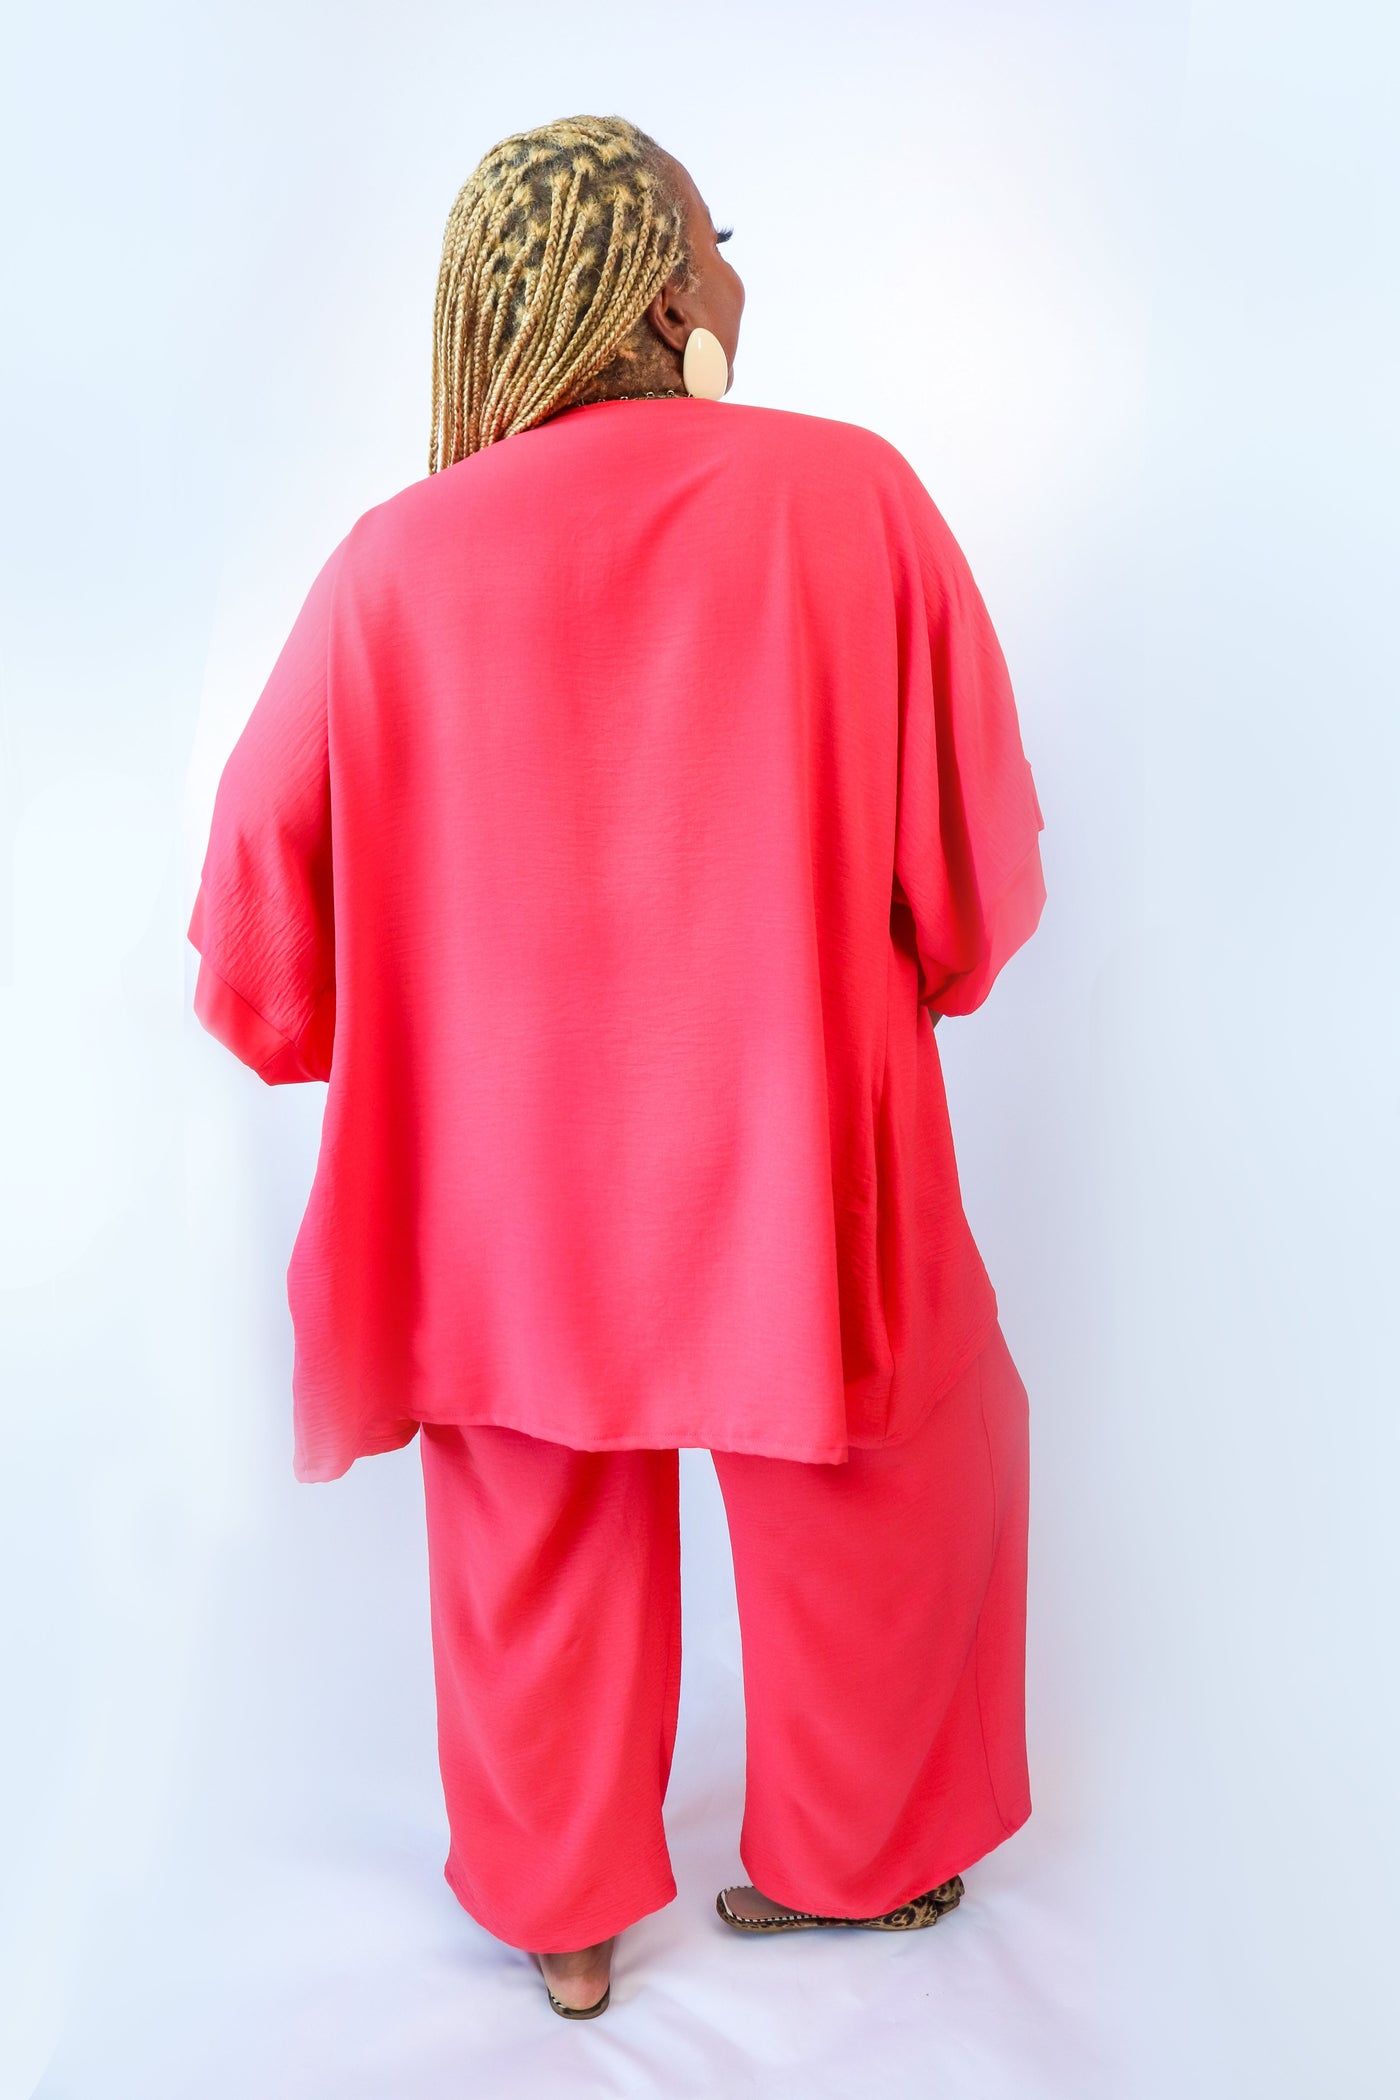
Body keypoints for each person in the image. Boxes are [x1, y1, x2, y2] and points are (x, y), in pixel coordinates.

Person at [187, 114, 1048, 2020]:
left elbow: (255, 892)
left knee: (530, 1509)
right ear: (667, 295)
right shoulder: (851, 497)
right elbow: (968, 865)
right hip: (810, 1131)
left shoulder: (394, 563)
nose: (738, 270)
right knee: (891, 1464)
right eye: (718, 237)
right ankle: (857, 1860)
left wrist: (375, 1027)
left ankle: (561, 1917)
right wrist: (930, 962)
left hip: (508, 1172)